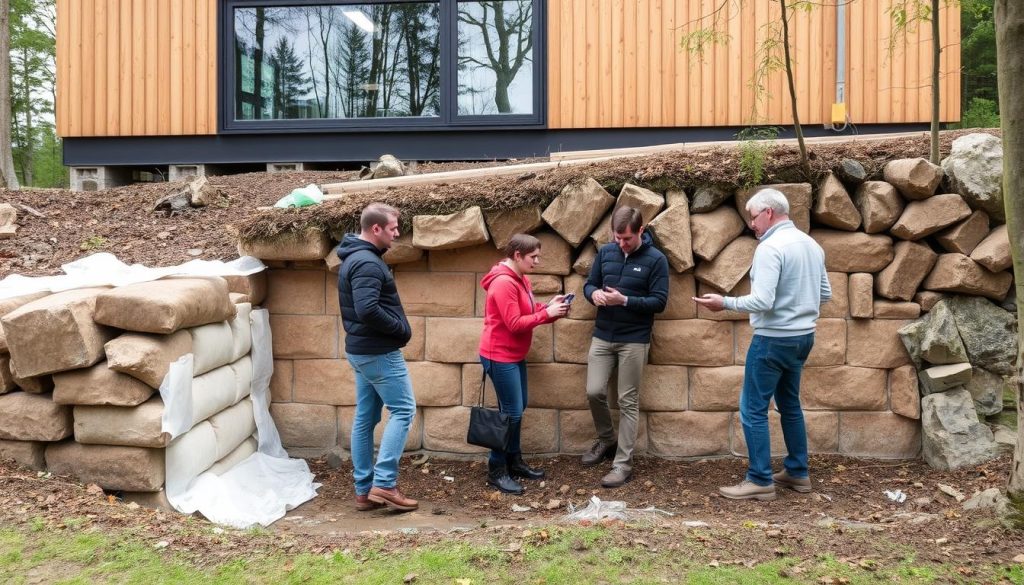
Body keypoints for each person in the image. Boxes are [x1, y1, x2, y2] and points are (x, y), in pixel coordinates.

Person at [694, 189, 831, 501]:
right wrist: (798, 306)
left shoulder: (771, 247)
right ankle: (798, 472)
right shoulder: (811, 245)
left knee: (752, 409)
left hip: (772, 340)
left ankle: (759, 479)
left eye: (753, 217)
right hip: (802, 338)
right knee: (790, 405)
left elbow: (763, 300)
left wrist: (724, 302)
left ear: (769, 213)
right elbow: (824, 294)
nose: (751, 224)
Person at [336, 202, 419, 513]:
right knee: (403, 410)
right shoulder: (368, 263)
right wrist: (399, 329)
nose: (396, 234)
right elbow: (367, 308)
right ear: (376, 229)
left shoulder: (354, 258)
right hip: (377, 351)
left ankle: (363, 490)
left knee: (366, 417)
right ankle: (384, 484)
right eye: (393, 228)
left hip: (361, 351)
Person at [582, 206, 669, 488]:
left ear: (641, 231)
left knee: (627, 401)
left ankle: (622, 465)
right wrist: (593, 293)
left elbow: (659, 301)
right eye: (617, 238)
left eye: (627, 239)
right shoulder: (606, 253)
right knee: (594, 391)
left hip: (634, 338)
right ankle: (607, 439)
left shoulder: (656, 260)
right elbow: (590, 284)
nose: (621, 244)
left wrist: (626, 301)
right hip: (603, 335)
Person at [479, 234, 571, 494]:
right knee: (510, 414)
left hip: (513, 355)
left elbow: (528, 311)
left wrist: (550, 307)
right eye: (533, 257)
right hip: (498, 354)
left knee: (517, 408)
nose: (537, 261)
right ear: (517, 255)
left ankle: (514, 461)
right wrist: (546, 314)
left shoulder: (521, 279)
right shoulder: (503, 283)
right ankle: (496, 470)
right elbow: (514, 324)